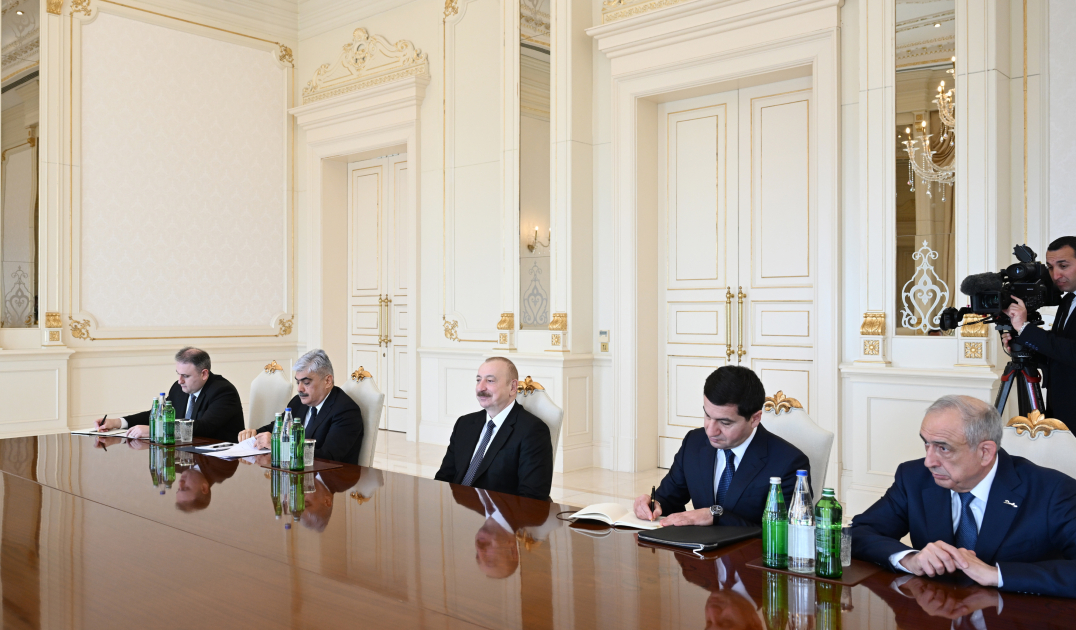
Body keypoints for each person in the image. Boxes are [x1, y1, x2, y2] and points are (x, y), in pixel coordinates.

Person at [850, 395, 1076, 598]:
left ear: (985, 452)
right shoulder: (914, 478)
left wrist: (996, 574)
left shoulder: (1053, 491)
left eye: (943, 448)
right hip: (934, 613)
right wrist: (909, 558)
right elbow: (858, 533)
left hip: (1020, 616)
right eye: (927, 444)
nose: (929, 461)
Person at [633, 365, 811, 526]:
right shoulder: (694, 443)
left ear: (755, 418)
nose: (711, 431)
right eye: (707, 416)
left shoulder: (789, 463)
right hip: (696, 550)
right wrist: (654, 504)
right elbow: (669, 497)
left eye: (725, 423)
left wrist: (715, 515)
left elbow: (786, 532)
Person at [435, 357, 553, 501]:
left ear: (513, 387)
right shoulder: (464, 424)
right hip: (456, 509)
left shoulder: (532, 431)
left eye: (490, 381)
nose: (480, 387)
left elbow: (532, 498)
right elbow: (443, 478)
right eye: (478, 380)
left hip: (500, 513)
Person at [239, 349, 364, 465]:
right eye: (298, 382)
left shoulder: (346, 411)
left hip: (331, 478)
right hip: (298, 473)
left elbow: (328, 457)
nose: (299, 389)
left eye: (306, 383)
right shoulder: (298, 402)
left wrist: (279, 445)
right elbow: (277, 427)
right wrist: (254, 434)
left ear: (327, 381)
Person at [95, 347, 244, 442]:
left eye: (185, 376)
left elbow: (204, 427)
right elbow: (159, 414)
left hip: (218, 462)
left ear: (204, 374)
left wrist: (155, 430)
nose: (180, 381)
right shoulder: (179, 388)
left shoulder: (223, 391)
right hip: (187, 454)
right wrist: (118, 423)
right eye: (178, 374)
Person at [1003, 235, 1076, 424]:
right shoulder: (1068, 300)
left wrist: (1025, 328)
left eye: (1063, 266)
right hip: (1060, 407)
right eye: (1050, 267)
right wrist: (1022, 341)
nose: (1056, 275)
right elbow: (1057, 354)